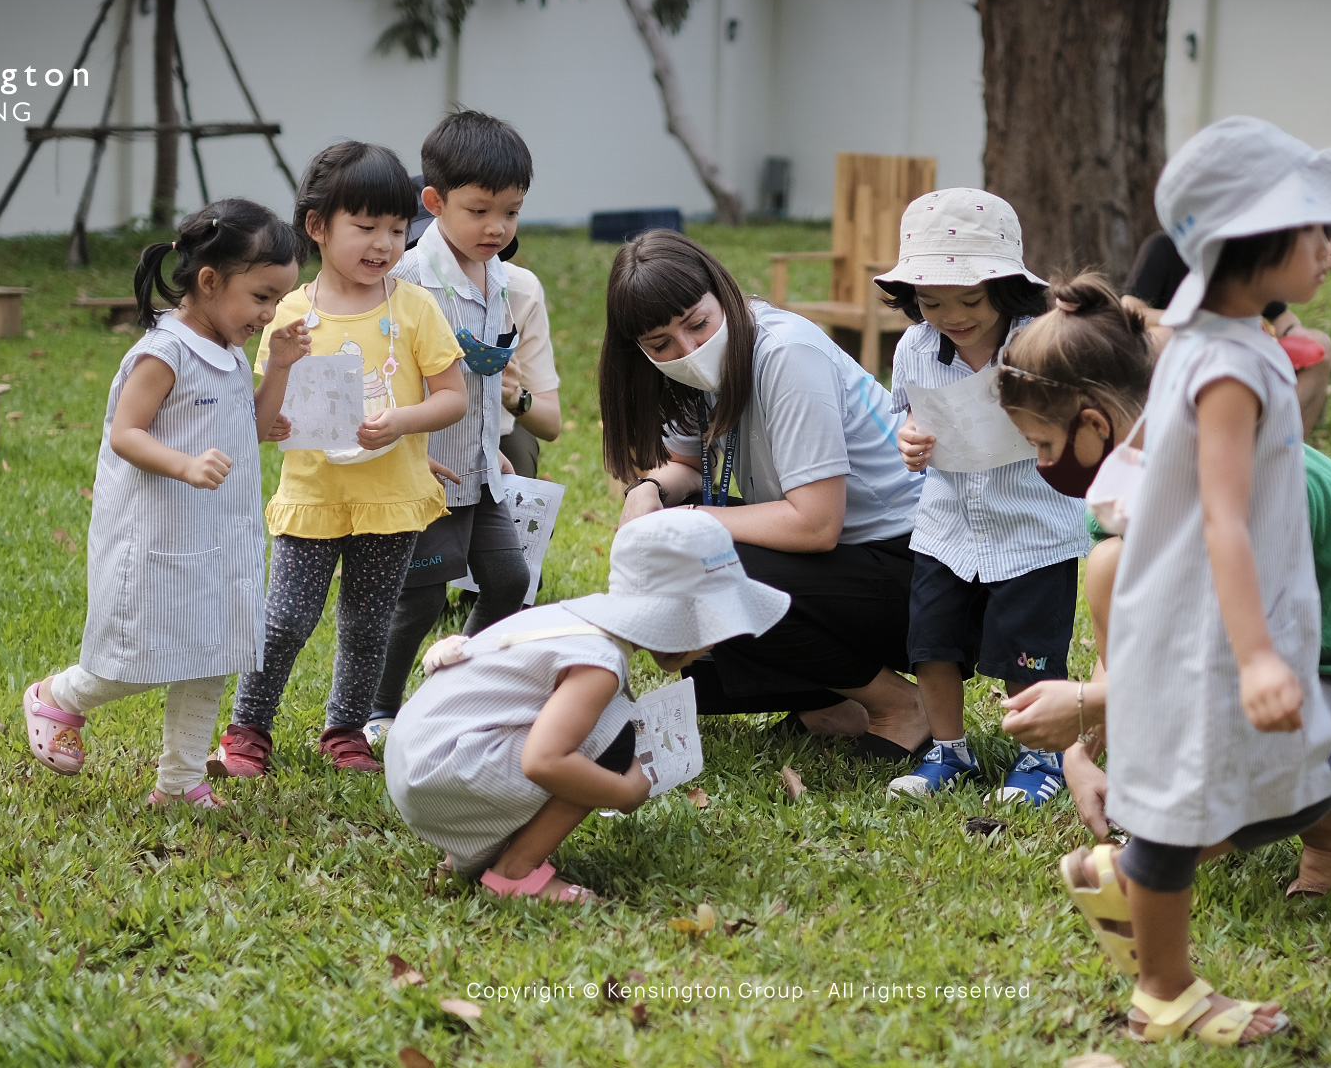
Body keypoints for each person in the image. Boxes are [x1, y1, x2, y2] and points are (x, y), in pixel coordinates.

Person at [1032, 117, 1331, 1047]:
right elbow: (1223, 514)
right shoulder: (1225, 362)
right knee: (1192, 813)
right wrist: (1257, 655)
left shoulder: (1224, 336)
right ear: (1255, 242)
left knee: (1299, 792)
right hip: (1212, 630)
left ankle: (1130, 875)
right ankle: (1165, 991)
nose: (1330, 244)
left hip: (1230, 614)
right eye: (1314, 227)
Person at [997, 273, 1331, 898]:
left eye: (1043, 444)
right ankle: (1322, 834)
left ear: (1094, 424)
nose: (1044, 465)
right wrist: (1083, 750)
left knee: (1206, 715)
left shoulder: (1240, 484)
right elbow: (1131, 645)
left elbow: (1224, 666)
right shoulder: (1127, 487)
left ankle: (1324, 846)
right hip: (1328, 689)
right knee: (1110, 568)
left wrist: (1093, 705)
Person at [21, 199, 306, 808]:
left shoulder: (228, 351)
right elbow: (127, 432)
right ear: (209, 281)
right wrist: (184, 464)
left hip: (219, 535)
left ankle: (179, 783)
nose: (269, 312)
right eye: (261, 296)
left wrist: (277, 367)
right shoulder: (164, 352)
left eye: (278, 299)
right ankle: (58, 698)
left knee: (214, 653)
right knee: (135, 657)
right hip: (159, 534)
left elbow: (248, 424)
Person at [602, 231, 930, 759]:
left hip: (916, 567)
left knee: (708, 565)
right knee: (703, 678)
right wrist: (648, 493)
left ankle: (901, 706)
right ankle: (832, 703)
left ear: (723, 295)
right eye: (661, 344)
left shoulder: (786, 353)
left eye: (697, 323)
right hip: (849, 563)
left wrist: (688, 523)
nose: (688, 349)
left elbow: (815, 525)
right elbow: (685, 464)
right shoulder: (697, 372)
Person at [209, 141, 468, 778]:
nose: (383, 243)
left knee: (369, 623)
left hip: (391, 499)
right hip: (314, 494)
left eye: (398, 228)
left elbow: (453, 397)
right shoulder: (290, 312)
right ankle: (248, 730)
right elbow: (264, 421)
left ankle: (345, 730)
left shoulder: (413, 307)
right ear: (318, 227)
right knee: (286, 620)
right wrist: (282, 376)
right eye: (365, 226)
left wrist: (403, 424)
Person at [385, 510, 788, 902]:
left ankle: (465, 853)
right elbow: (543, 762)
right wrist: (624, 792)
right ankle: (516, 872)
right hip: (439, 773)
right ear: (680, 619)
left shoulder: (572, 621)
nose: (716, 641)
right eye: (714, 623)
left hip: (417, 759)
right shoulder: (601, 663)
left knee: (590, 729)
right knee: (611, 740)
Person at [874, 189, 1088, 804]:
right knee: (933, 644)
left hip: (1032, 528)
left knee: (1030, 653)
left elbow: (1080, 424)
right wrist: (909, 440)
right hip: (945, 527)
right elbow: (907, 419)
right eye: (932, 301)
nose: (952, 315)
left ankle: (1039, 755)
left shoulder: (1043, 342)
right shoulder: (915, 348)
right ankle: (950, 752)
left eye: (970, 298)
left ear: (1006, 286)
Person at [368, 110, 544, 745]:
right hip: (427, 471)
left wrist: (493, 444)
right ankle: (380, 711)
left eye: (512, 212)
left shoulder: (500, 277)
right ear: (434, 202)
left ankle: (446, 688)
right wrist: (410, 449)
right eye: (480, 211)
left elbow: (484, 373)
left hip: (478, 465)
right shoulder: (408, 278)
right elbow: (386, 373)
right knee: (417, 600)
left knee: (510, 581)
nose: (497, 228)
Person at [1121, 229, 1331, 435]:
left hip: (1239, 350)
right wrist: (1189, 320)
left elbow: (1280, 315)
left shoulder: (1237, 255)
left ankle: (1289, 442)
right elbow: (1130, 309)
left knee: (1320, 344)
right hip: (1180, 352)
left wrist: (1293, 331)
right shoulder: (1164, 247)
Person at [499, 263, 562, 478]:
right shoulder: (407, 275)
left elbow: (551, 424)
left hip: (497, 430)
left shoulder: (521, 289)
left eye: (507, 225)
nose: (495, 229)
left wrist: (515, 398)